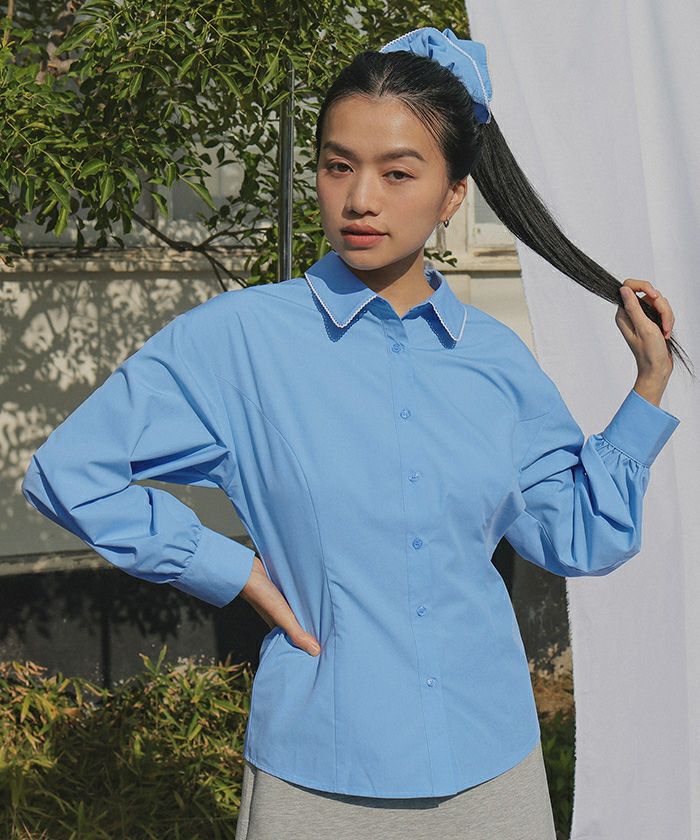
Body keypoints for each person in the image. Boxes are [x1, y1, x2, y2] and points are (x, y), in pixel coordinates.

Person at [21, 27, 683, 840]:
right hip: (320, 774)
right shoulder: (241, 342)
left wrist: (647, 388)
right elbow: (71, 472)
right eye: (338, 166)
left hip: (492, 766)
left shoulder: (496, 361)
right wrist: (230, 569)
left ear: (452, 196)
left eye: (397, 173)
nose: (360, 198)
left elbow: (583, 537)